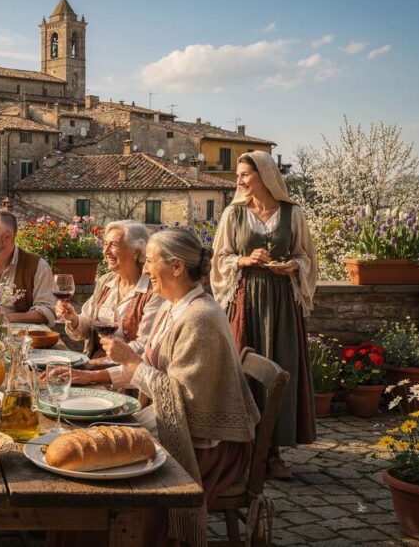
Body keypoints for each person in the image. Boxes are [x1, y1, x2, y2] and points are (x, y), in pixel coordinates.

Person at [92, 228, 259, 546]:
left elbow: (183, 399)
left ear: (177, 266)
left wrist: (131, 362)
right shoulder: (174, 307)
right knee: (102, 441)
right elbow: (154, 374)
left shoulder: (200, 318)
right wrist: (100, 375)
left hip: (207, 446)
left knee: (109, 474)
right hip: (180, 425)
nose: (144, 269)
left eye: (151, 261)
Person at [211, 150, 318, 479]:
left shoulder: (292, 213)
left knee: (281, 368)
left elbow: (307, 257)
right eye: (239, 175)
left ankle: (273, 452)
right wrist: (244, 261)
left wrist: (293, 266)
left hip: (282, 304)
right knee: (244, 371)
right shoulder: (234, 213)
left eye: (245, 174)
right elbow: (219, 257)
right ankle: (242, 450)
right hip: (246, 300)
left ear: (265, 176)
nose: (239, 181)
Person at [55, 220, 164, 386]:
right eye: (105, 244)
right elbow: (86, 327)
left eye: (113, 245)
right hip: (92, 369)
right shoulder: (106, 282)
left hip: (125, 379)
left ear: (136, 251)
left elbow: (143, 348)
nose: (106, 251)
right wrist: (73, 318)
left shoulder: (153, 291)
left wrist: (93, 366)